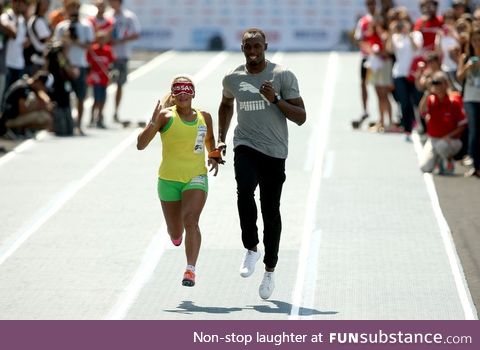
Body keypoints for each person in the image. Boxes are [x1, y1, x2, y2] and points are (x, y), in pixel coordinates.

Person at [217, 28, 306, 299]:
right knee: (244, 190)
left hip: (275, 151)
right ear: (242, 47)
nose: (252, 52)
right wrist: (221, 139)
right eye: (247, 47)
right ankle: (251, 248)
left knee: (270, 209)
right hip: (245, 144)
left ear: (265, 45)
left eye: (257, 46)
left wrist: (276, 100)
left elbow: (301, 117)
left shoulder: (282, 76)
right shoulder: (233, 78)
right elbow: (225, 105)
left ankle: (270, 269)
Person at [137, 75, 222, 287]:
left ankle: (190, 270)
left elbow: (209, 138)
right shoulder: (165, 117)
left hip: (196, 176)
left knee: (191, 220)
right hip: (168, 180)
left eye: (187, 90)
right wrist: (152, 123)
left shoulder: (205, 117)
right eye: (178, 90)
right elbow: (141, 145)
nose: (183, 94)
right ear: (173, 95)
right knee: (175, 232)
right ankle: (176, 236)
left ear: (193, 93)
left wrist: (213, 154)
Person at [53, 0, 94, 136]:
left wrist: (75, 41)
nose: (72, 12)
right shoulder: (61, 27)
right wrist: (65, 41)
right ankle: (66, 124)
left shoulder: (86, 25)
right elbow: (55, 47)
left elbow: (89, 46)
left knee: (80, 96)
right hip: (65, 67)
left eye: (74, 8)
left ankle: (79, 125)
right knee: (63, 96)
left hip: (80, 64)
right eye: (69, 8)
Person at [419, 71, 467, 174]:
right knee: (424, 168)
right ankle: (438, 160)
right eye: (434, 83)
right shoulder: (430, 99)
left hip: (451, 140)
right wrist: (427, 92)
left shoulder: (453, 100)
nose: (437, 86)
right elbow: (422, 111)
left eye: (439, 83)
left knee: (442, 146)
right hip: (433, 140)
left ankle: (448, 160)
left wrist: (449, 136)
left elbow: (462, 125)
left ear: (446, 84)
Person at [108, 0, 140, 126]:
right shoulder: (107, 15)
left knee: (119, 84)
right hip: (107, 56)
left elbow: (136, 34)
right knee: (102, 83)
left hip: (122, 55)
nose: (111, 3)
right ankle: (98, 114)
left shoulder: (129, 17)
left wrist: (120, 40)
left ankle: (115, 112)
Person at [0, 70, 53, 137]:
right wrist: (38, 107)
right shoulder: (23, 88)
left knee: (41, 108)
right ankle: (19, 130)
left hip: (14, 117)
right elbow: (22, 110)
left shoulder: (29, 84)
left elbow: (42, 96)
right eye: (44, 87)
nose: (44, 90)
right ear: (39, 83)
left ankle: (23, 130)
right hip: (8, 120)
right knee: (44, 116)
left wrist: (47, 102)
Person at [352, 0, 377, 129]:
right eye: (369, 4)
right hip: (366, 57)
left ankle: (381, 114)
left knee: (380, 86)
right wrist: (368, 49)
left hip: (380, 58)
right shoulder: (363, 21)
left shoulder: (380, 19)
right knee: (363, 83)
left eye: (373, 3)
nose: (372, 6)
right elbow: (358, 39)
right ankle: (365, 110)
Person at [86, 30, 115, 128]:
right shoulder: (92, 50)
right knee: (96, 99)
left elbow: (111, 64)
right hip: (96, 79)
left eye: (103, 39)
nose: (101, 41)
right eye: (100, 39)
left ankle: (100, 117)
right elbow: (88, 64)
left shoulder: (108, 50)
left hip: (104, 79)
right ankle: (92, 118)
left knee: (103, 99)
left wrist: (111, 74)